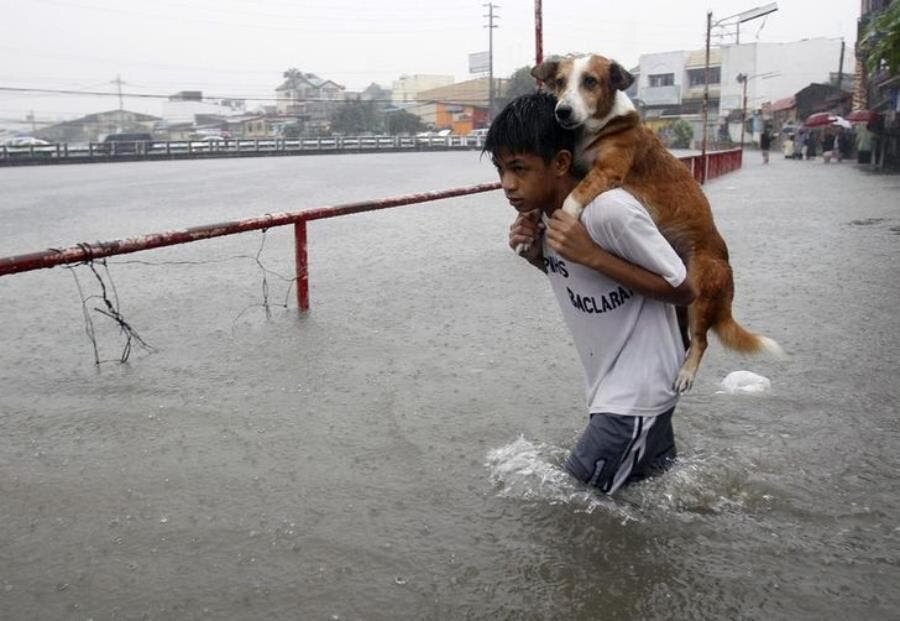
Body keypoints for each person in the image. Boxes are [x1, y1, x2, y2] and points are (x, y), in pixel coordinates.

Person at [484, 92, 696, 495]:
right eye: (500, 170)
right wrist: (536, 256)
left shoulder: (609, 210)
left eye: (519, 168)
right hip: (620, 393)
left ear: (561, 162)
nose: (507, 185)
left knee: (572, 511)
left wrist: (593, 254)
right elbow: (585, 281)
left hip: (634, 396)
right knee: (652, 505)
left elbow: (683, 288)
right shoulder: (548, 218)